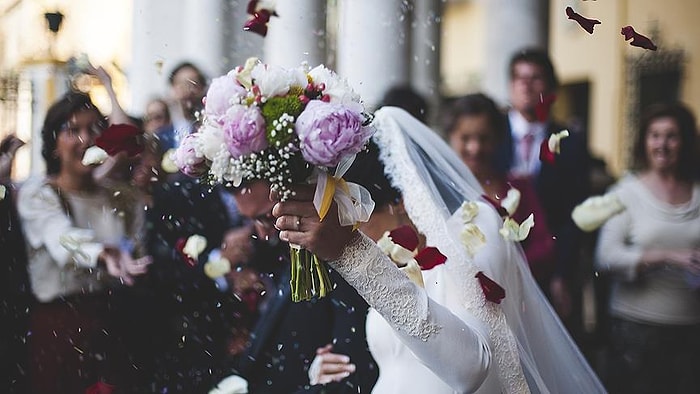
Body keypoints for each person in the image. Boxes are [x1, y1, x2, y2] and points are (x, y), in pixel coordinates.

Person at [274, 107, 605, 393]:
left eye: (357, 220)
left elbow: (470, 368)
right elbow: (403, 363)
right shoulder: (400, 265)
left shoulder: (477, 229)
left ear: (401, 203)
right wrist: (326, 370)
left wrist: (353, 254)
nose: (357, 235)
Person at [16, 92, 152, 393]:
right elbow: (61, 238)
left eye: (94, 129)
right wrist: (102, 253)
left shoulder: (120, 196)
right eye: (72, 130)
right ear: (53, 145)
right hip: (61, 326)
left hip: (113, 322)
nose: (86, 139)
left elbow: (138, 247)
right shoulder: (39, 194)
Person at [217, 180, 379, 394]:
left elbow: (354, 370)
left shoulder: (336, 255)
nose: (262, 233)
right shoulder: (277, 251)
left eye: (267, 216)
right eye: (250, 221)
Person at [595, 102, 700, 394]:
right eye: (655, 135)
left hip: (692, 329)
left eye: (671, 136)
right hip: (636, 330)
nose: (662, 144)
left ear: (685, 142)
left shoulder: (698, 193)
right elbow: (606, 257)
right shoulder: (625, 193)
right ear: (644, 141)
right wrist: (668, 257)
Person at [494, 47, 591, 329]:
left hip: (551, 267)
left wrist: (562, 272)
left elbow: (576, 213)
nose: (525, 84)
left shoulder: (571, 142)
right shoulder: (490, 135)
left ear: (549, 87)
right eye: (518, 77)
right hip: (498, 260)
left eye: (535, 77)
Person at [444, 93, 556, 287]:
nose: (475, 147)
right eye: (465, 138)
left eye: (483, 138)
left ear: (497, 139)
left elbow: (543, 245)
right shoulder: (439, 190)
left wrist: (505, 268)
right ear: (450, 138)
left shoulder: (518, 188)